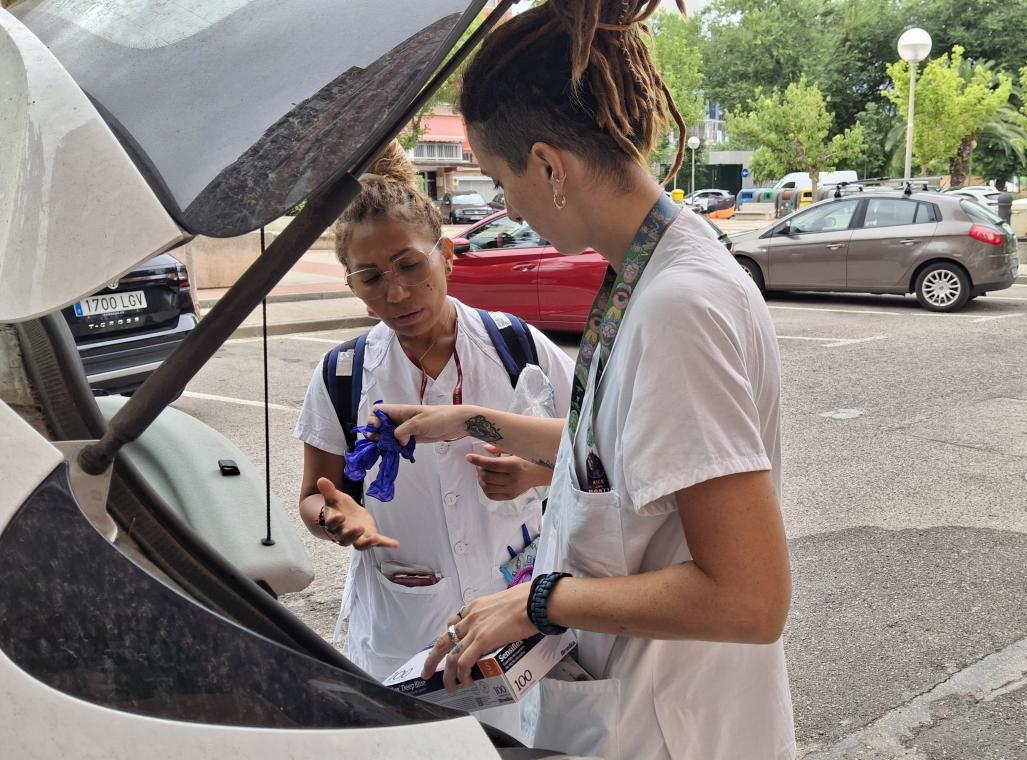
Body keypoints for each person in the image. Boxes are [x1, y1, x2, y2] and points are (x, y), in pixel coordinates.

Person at [371, 1, 796, 758]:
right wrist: (466, 421)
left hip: (677, 724)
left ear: (548, 166)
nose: (507, 206)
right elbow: (612, 456)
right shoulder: (651, 266)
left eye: (503, 181)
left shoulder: (678, 309)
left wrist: (534, 602)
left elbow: (750, 598)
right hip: (640, 702)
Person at [292, 142, 574, 736]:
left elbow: (593, 451)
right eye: (369, 277)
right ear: (351, 284)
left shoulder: (514, 345)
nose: (394, 294)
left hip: (516, 622)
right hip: (403, 634)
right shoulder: (343, 375)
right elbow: (313, 497)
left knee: (520, 743)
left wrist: (537, 473)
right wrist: (336, 516)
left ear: (446, 254)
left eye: (409, 266)